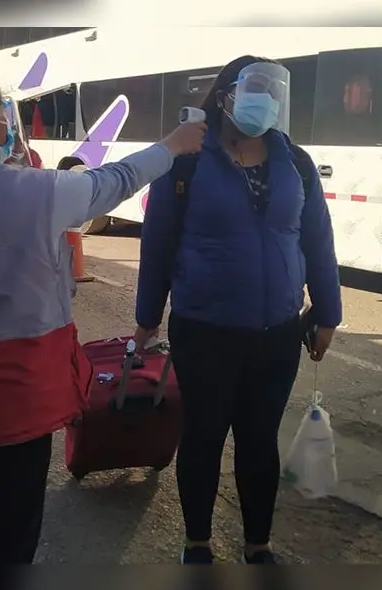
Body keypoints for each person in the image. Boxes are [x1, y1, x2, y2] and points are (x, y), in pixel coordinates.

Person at [0, 60, 206, 566]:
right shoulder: (38, 192)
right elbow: (118, 179)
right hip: (16, 414)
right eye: (1, 114)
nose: (7, 124)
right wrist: (174, 145)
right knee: (9, 544)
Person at [133, 55, 343, 565]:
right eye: (256, 90)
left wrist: (328, 311)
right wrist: (146, 318)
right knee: (203, 436)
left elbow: (316, 238)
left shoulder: (294, 161)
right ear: (227, 96)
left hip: (276, 331)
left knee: (258, 441)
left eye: (274, 93)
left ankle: (258, 545)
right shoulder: (186, 159)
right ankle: (197, 543)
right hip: (204, 330)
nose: (265, 102)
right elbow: (158, 242)